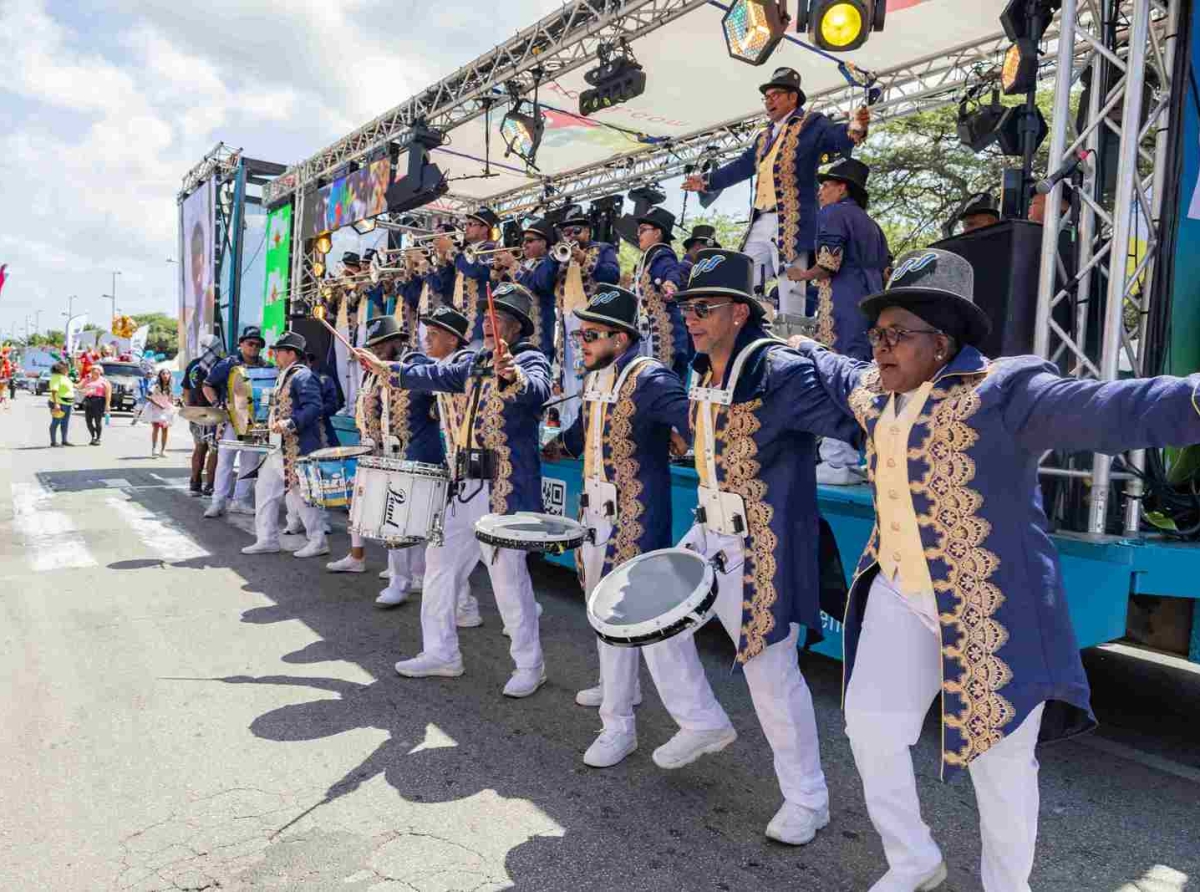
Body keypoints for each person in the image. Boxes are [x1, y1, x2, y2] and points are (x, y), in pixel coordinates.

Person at [790, 247, 1200, 891]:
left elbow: (1108, 407)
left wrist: (1195, 397)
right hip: (899, 587)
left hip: (992, 608)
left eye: (897, 335)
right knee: (871, 728)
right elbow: (836, 368)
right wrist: (794, 340)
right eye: (877, 334)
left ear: (943, 341)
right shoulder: (875, 389)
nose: (881, 348)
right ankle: (914, 860)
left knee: (1001, 761)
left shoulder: (1005, 390)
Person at [639, 248, 860, 846]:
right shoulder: (703, 369)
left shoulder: (778, 370)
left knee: (770, 671)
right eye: (687, 306)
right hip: (708, 529)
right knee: (652, 620)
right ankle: (703, 720)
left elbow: (857, 421)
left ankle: (807, 798)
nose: (691, 317)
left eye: (705, 307)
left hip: (762, 542)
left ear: (740, 312)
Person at [359, 283, 553, 698]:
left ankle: (529, 664)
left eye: (496, 315)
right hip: (464, 483)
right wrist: (384, 368)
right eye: (485, 313)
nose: (485, 319)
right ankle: (441, 653)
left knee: (507, 577)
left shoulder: (531, 358)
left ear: (515, 327)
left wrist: (514, 374)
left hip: (502, 488)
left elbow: (537, 390)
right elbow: (435, 373)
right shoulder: (475, 361)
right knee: (439, 565)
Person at [545, 285, 691, 768]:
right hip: (595, 514)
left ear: (622, 338)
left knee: (622, 618)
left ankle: (618, 725)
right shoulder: (596, 380)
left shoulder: (650, 378)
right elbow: (579, 436)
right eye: (578, 334)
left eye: (590, 334)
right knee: (602, 613)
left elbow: (695, 421)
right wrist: (546, 448)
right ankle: (617, 688)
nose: (580, 343)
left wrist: (681, 438)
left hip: (636, 516)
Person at [683, 67, 870, 336]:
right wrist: (708, 182)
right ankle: (749, 338)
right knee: (744, 278)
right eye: (766, 97)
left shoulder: (811, 124)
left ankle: (794, 349)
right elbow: (741, 167)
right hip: (761, 219)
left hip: (791, 223)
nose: (769, 101)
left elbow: (837, 138)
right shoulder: (764, 137)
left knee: (791, 292)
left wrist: (856, 127)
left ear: (793, 98)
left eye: (775, 95)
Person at [325, 316, 442, 608]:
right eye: (373, 346)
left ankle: (416, 578)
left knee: (418, 524)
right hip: (385, 457)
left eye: (381, 344)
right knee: (393, 523)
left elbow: (439, 398)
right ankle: (400, 581)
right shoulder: (372, 373)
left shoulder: (416, 364)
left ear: (396, 342)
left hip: (416, 455)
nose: (376, 351)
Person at [787, 158, 889, 485]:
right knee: (866, 375)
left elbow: (830, 261)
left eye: (826, 184)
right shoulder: (872, 225)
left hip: (843, 306)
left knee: (835, 373)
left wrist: (802, 274)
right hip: (873, 307)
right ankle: (860, 458)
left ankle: (836, 462)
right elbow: (886, 270)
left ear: (842, 188)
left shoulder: (832, 214)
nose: (820, 191)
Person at [241, 331, 329, 558]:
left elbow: (314, 407)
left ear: (292, 353)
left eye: (279, 351)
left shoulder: (303, 376)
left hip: (297, 446)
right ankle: (267, 539)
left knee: (301, 494)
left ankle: (318, 540)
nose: (275, 354)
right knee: (265, 490)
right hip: (279, 446)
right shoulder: (286, 375)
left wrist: (290, 422)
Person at [554, 207, 621, 430]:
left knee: (595, 372)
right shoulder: (558, 256)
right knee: (571, 376)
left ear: (588, 231)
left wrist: (584, 259)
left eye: (576, 231)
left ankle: (594, 427)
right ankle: (571, 428)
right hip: (566, 324)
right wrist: (553, 260)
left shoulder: (603, 249)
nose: (571, 237)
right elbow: (541, 283)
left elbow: (612, 276)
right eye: (567, 233)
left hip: (594, 323)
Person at [202, 327, 268, 518]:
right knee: (225, 462)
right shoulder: (228, 363)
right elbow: (207, 385)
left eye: (258, 344)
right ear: (241, 344)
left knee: (250, 462)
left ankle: (240, 501)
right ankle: (218, 502)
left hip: (254, 422)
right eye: (250, 343)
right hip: (230, 420)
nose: (254, 347)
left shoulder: (266, 365)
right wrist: (217, 404)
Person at [634, 206, 690, 380]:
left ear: (657, 233)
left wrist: (671, 283)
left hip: (665, 335)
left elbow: (671, 270)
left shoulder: (662, 254)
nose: (638, 234)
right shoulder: (647, 259)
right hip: (647, 334)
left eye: (643, 230)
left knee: (663, 381)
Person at [431, 208, 501, 344]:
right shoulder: (466, 252)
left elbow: (473, 271)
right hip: (462, 315)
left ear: (484, 229)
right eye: (466, 224)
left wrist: (451, 249)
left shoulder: (491, 248)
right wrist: (441, 257)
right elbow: (445, 282)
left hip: (479, 317)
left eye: (471, 224)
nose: (466, 228)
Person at [497, 218, 558, 359]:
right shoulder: (522, 263)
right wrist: (498, 268)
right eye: (523, 240)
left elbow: (538, 283)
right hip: (516, 333)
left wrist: (513, 264)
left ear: (543, 243)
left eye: (530, 240)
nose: (524, 244)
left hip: (539, 333)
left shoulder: (548, 263)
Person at [181, 334, 224, 497]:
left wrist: (189, 408)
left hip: (195, 411)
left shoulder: (193, 365)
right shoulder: (221, 364)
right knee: (214, 449)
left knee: (200, 447)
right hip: (215, 411)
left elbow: (185, 389)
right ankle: (210, 485)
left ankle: (195, 483)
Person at [142, 368, 176, 457]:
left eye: (167, 374)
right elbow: (147, 396)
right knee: (156, 428)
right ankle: (154, 449)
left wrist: (172, 406)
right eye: (163, 374)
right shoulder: (155, 386)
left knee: (165, 429)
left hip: (166, 409)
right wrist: (158, 403)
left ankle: (163, 450)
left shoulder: (170, 386)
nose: (165, 376)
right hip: (156, 409)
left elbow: (170, 398)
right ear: (160, 375)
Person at [80, 365, 112, 446]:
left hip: (99, 401)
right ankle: (93, 436)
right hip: (88, 400)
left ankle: (98, 438)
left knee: (98, 421)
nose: (94, 372)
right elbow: (79, 386)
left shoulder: (104, 381)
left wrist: (107, 405)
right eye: (93, 371)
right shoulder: (87, 379)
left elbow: (108, 394)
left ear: (100, 372)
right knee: (88, 421)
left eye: (97, 371)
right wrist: (68, 382)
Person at [47, 361, 76, 447]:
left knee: (65, 423)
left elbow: (74, 386)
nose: (68, 369)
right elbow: (54, 391)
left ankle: (64, 440)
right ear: (61, 368)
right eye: (67, 367)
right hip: (59, 403)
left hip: (68, 403)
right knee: (56, 422)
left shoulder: (65, 377)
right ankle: (53, 441)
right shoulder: (56, 377)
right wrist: (56, 404)